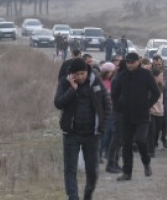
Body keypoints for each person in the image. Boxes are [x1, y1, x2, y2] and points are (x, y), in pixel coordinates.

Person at [54, 58, 107, 200]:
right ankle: (73, 196)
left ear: (86, 71)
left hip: (92, 134)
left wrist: (102, 126)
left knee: (92, 170)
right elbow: (58, 103)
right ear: (71, 74)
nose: (80, 77)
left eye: (82, 73)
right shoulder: (65, 83)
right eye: (76, 74)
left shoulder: (95, 81)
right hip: (71, 133)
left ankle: (88, 194)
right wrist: (72, 89)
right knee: (70, 169)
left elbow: (106, 103)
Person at [109, 52, 160, 181]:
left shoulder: (146, 74)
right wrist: (117, 107)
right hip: (126, 115)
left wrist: (147, 104)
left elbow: (156, 92)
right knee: (126, 145)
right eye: (128, 62)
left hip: (142, 115)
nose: (130, 65)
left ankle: (146, 162)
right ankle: (127, 172)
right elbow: (114, 93)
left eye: (132, 62)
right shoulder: (122, 75)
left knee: (141, 140)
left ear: (138, 62)